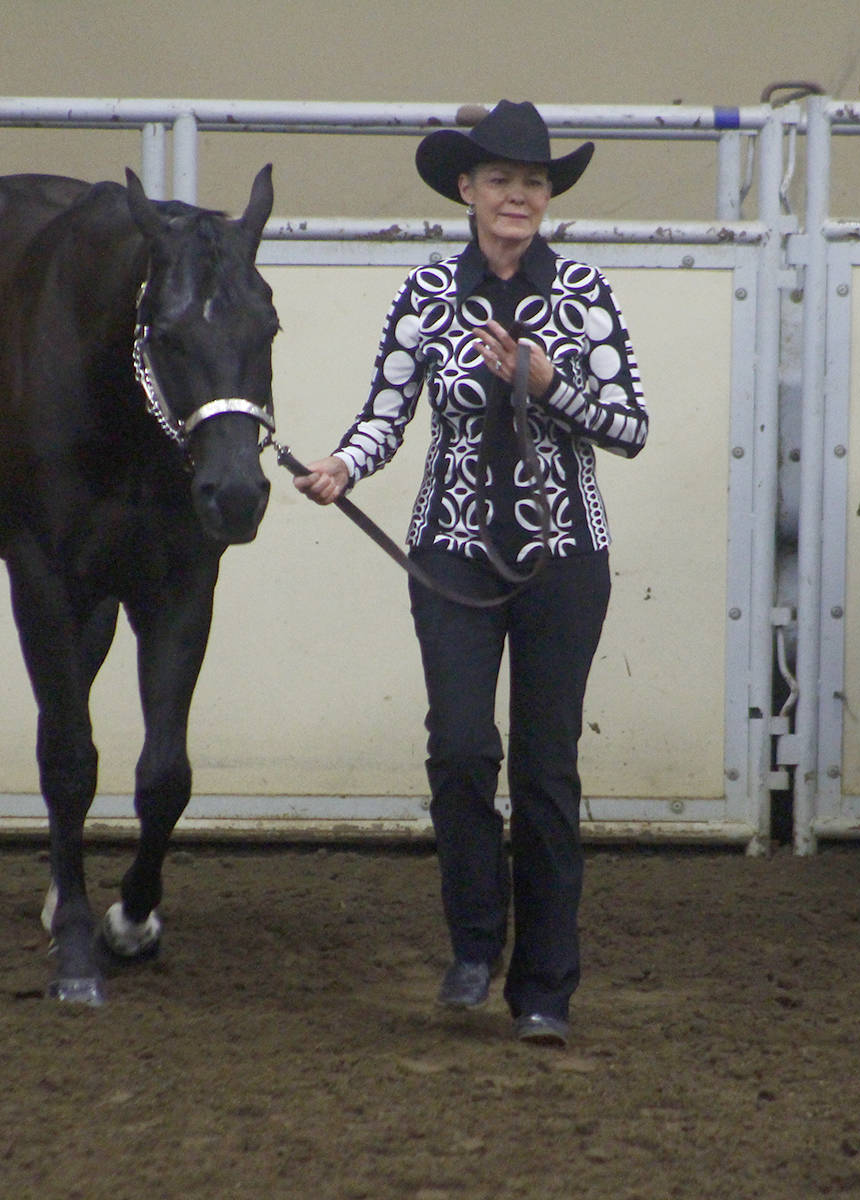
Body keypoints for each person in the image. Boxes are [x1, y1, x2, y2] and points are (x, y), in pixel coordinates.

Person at [293, 100, 647, 1047]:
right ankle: (473, 942)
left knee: (545, 772)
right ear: (467, 190)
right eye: (501, 181)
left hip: (564, 559)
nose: (518, 197)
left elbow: (631, 427)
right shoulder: (423, 294)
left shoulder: (583, 293)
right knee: (458, 751)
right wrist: (342, 465)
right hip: (446, 552)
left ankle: (545, 989)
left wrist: (546, 384)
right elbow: (386, 412)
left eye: (533, 182)